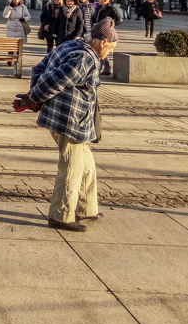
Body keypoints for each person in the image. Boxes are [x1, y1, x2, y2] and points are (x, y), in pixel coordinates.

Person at [13, 17, 117, 232]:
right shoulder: (86, 58)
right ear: (103, 42)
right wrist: (34, 99)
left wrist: (34, 94)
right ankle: (61, 215)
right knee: (72, 168)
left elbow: (39, 68)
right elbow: (54, 81)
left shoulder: (70, 45)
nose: (111, 52)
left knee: (86, 165)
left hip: (69, 120)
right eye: (111, 48)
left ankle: (86, 209)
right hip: (70, 121)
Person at [92, 0, 124, 74]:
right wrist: (93, 24)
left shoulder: (111, 9)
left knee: (102, 50)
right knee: (101, 50)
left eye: (104, 0)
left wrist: (110, 26)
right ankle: (107, 68)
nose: (102, 2)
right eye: (100, 0)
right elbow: (94, 18)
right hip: (97, 31)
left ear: (108, 0)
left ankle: (99, 69)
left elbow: (120, 19)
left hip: (106, 33)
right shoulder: (98, 8)